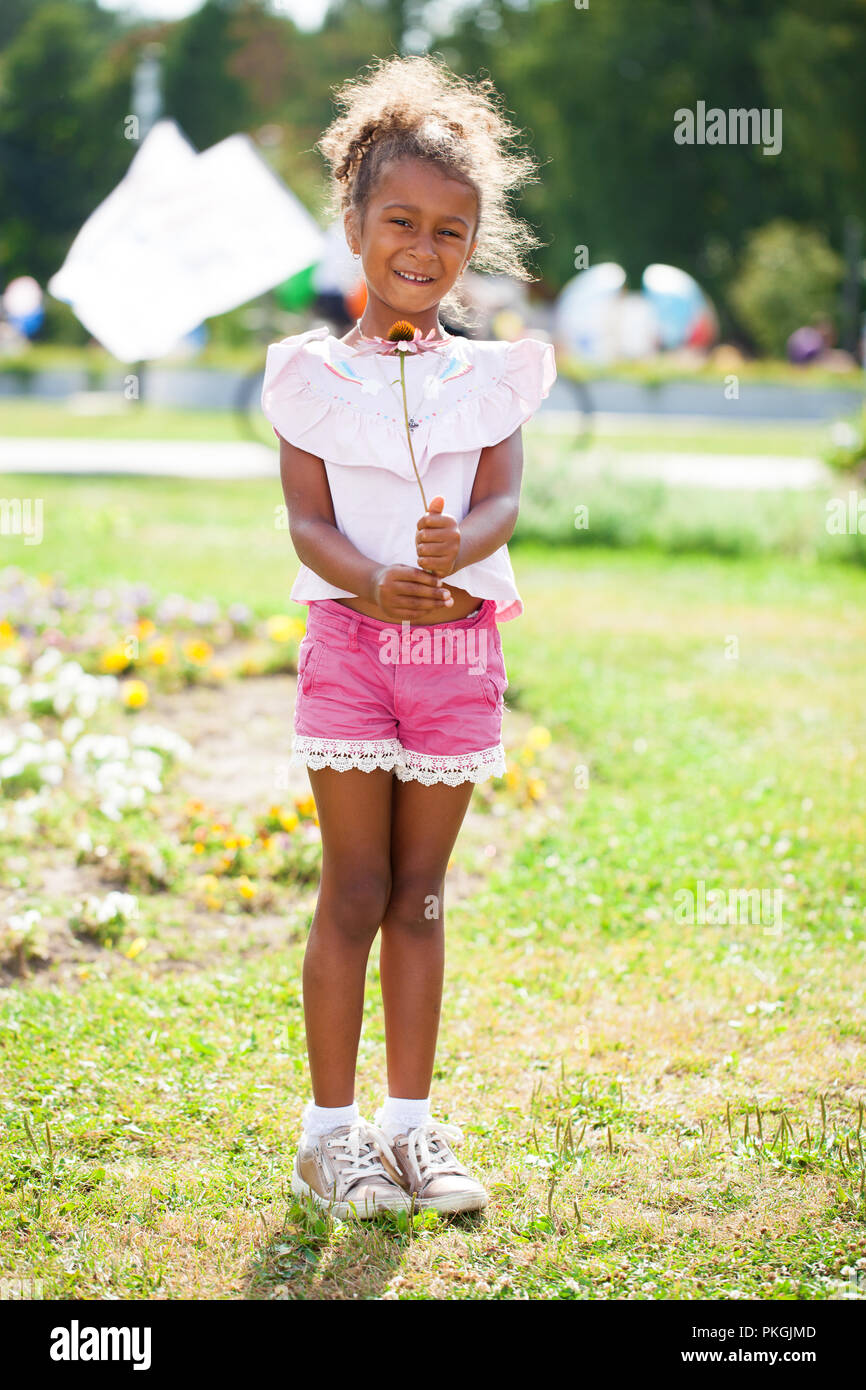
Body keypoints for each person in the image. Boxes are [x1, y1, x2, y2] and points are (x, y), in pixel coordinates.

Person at [260, 54, 556, 1221]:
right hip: (350, 649)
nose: (421, 249)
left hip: (455, 653)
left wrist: (455, 553)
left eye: (449, 229)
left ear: (470, 241)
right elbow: (306, 523)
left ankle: (409, 1126)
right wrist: (375, 580)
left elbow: (500, 503)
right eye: (398, 222)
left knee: (420, 894)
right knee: (355, 884)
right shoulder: (308, 375)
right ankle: (327, 1136)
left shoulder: (490, 378)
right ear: (353, 222)